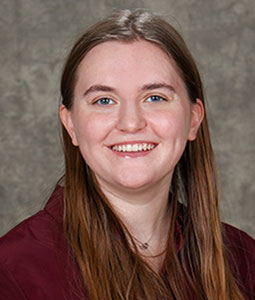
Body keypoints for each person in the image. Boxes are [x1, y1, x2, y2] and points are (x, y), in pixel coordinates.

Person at [0, 9, 254, 300]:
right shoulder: (12, 271)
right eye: (104, 100)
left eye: (155, 97)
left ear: (194, 119)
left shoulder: (245, 261)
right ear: (70, 124)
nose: (130, 123)